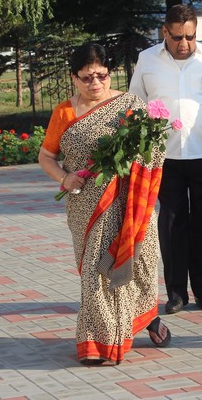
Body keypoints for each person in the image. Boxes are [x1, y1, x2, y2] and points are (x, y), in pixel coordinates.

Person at [38, 42, 171, 365]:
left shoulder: (130, 105)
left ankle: (145, 317)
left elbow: (153, 150)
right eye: (87, 77)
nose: (95, 83)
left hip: (129, 203)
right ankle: (98, 341)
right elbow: (46, 156)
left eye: (102, 75)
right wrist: (64, 179)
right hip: (87, 207)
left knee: (138, 261)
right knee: (96, 271)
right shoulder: (64, 113)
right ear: (74, 78)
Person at [129, 4, 202, 315]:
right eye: (178, 37)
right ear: (165, 32)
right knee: (172, 223)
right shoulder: (147, 60)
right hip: (164, 157)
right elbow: (135, 105)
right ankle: (176, 293)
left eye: (191, 37)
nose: (185, 44)